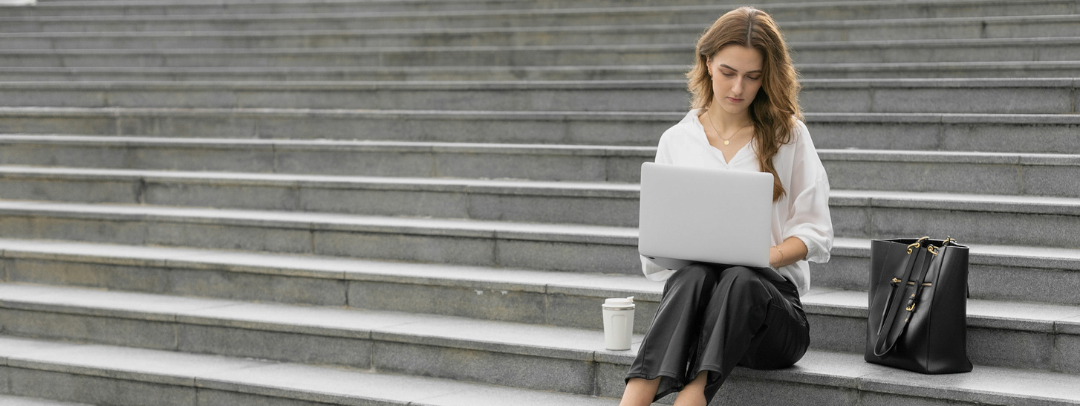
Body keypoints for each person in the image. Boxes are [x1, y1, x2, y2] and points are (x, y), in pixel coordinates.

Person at [620, 7, 834, 406]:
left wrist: (762, 255)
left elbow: (816, 233)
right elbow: (655, 254)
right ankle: (636, 395)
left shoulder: (789, 135)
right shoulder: (677, 140)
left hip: (771, 320)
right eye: (728, 72)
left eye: (753, 77)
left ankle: (694, 396)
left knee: (739, 275)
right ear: (707, 63)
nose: (738, 87)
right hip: (700, 315)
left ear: (766, 77)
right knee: (694, 275)